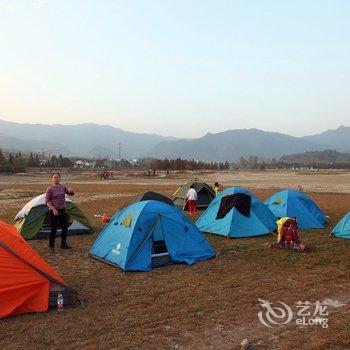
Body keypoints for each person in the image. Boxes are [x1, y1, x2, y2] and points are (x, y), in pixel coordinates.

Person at [46, 173, 75, 250]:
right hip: (54, 211)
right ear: (52, 179)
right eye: (54, 177)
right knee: (54, 229)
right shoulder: (50, 189)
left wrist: (71, 191)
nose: (56, 178)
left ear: (60, 179)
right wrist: (53, 209)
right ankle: (51, 245)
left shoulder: (63, 188)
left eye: (58, 177)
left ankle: (63, 244)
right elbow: (47, 202)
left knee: (65, 228)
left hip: (62, 210)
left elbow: (71, 193)